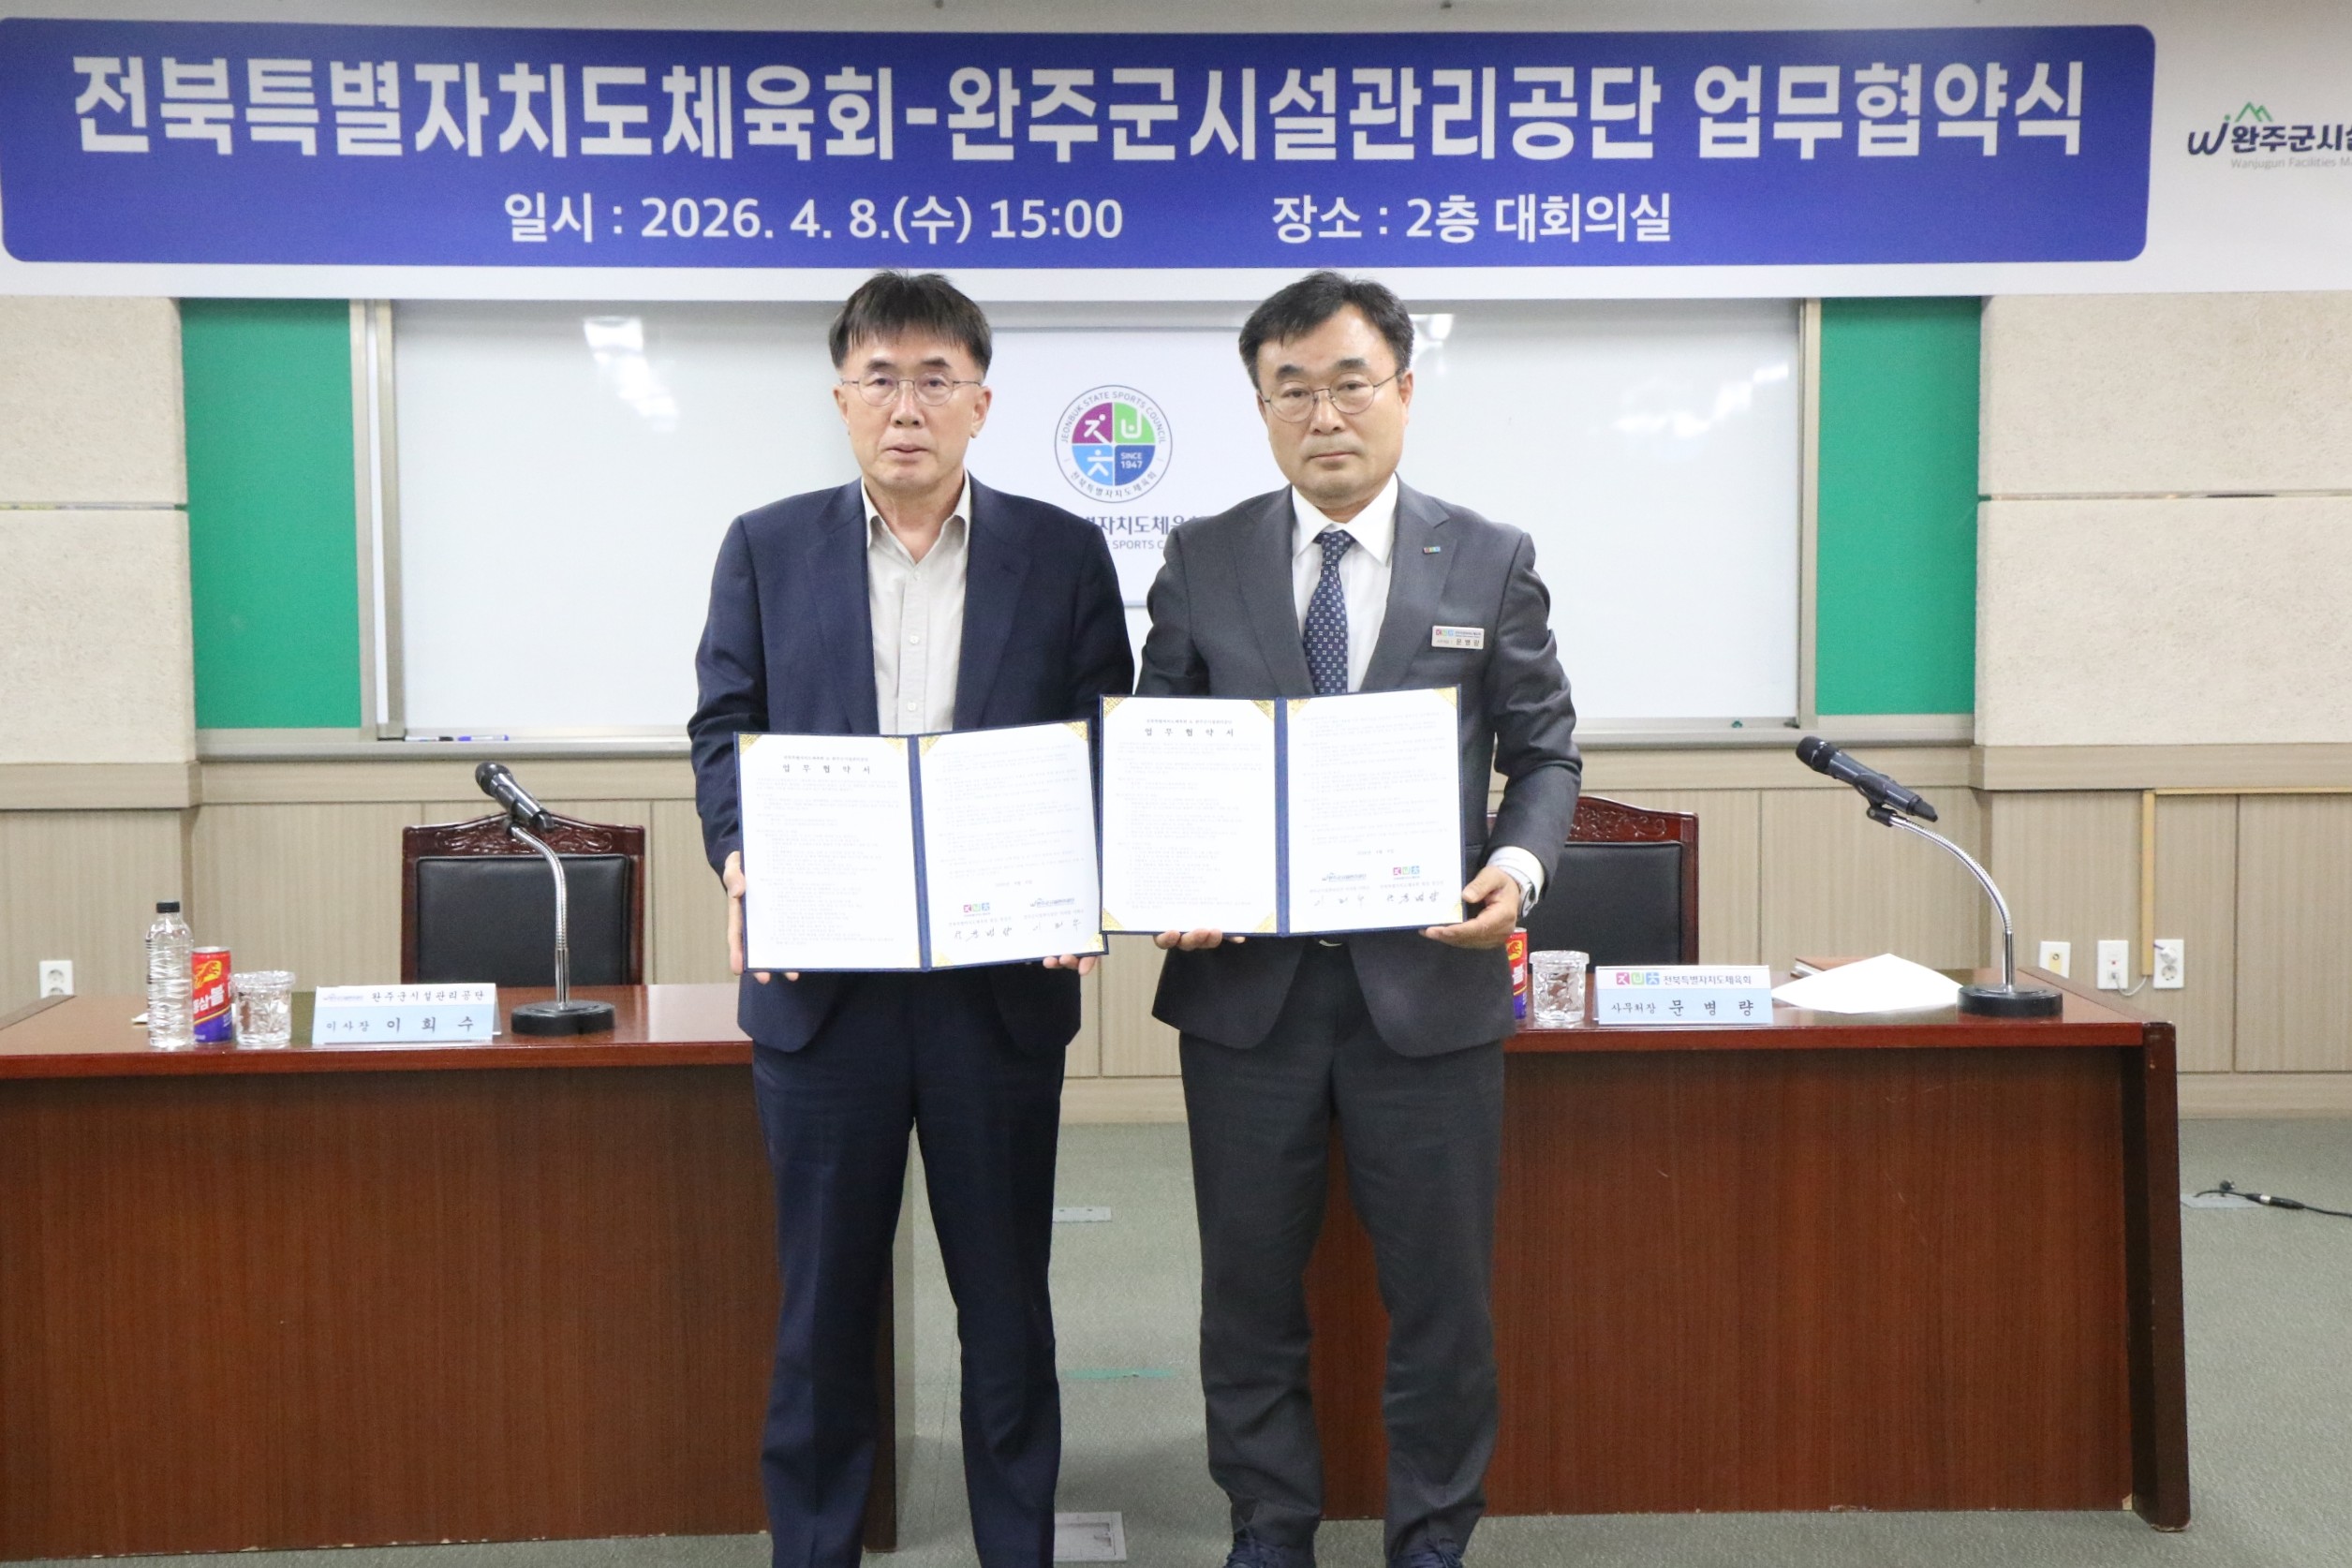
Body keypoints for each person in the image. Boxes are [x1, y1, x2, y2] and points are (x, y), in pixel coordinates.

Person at [1136, 272, 1581, 1568]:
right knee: (1247, 1292)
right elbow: (1161, 743)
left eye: (1348, 383)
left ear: (1402, 389)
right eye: (1292, 390)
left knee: (1440, 1298)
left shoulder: (1488, 556)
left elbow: (1545, 752)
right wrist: (1168, 874)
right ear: (1261, 407)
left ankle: (1431, 1538)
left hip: (1428, 989)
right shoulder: (1203, 555)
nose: (1323, 415)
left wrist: (1518, 866)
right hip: (1247, 995)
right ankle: (1269, 1527)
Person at [689, 271, 1132, 1568]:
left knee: (1005, 1306)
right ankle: (815, 1549)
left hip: (997, 990)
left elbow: (1101, 734)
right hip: (825, 993)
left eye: (936, 378)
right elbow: (726, 727)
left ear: (980, 403)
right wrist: (743, 858)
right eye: (878, 378)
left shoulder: (1062, 551)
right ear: (840, 398)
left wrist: (1077, 873)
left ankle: (1016, 1548)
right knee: (823, 1309)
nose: (906, 407)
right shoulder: (765, 546)